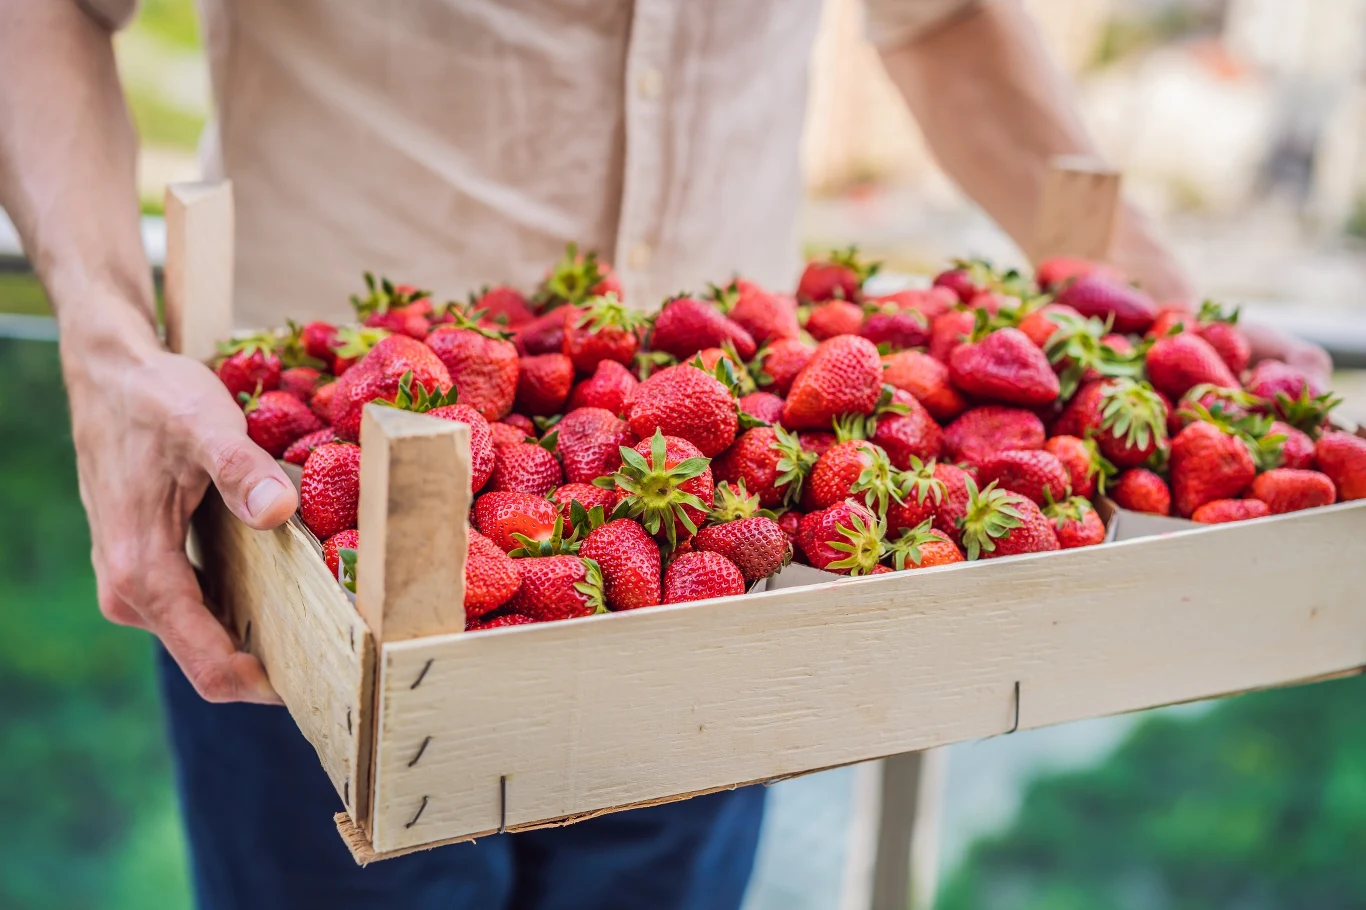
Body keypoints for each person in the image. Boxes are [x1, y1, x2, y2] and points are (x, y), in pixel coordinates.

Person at [0, 1, 1331, 908]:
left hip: (720, 562)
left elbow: (939, 19)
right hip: (302, 528)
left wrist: (1147, 296)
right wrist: (105, 346)